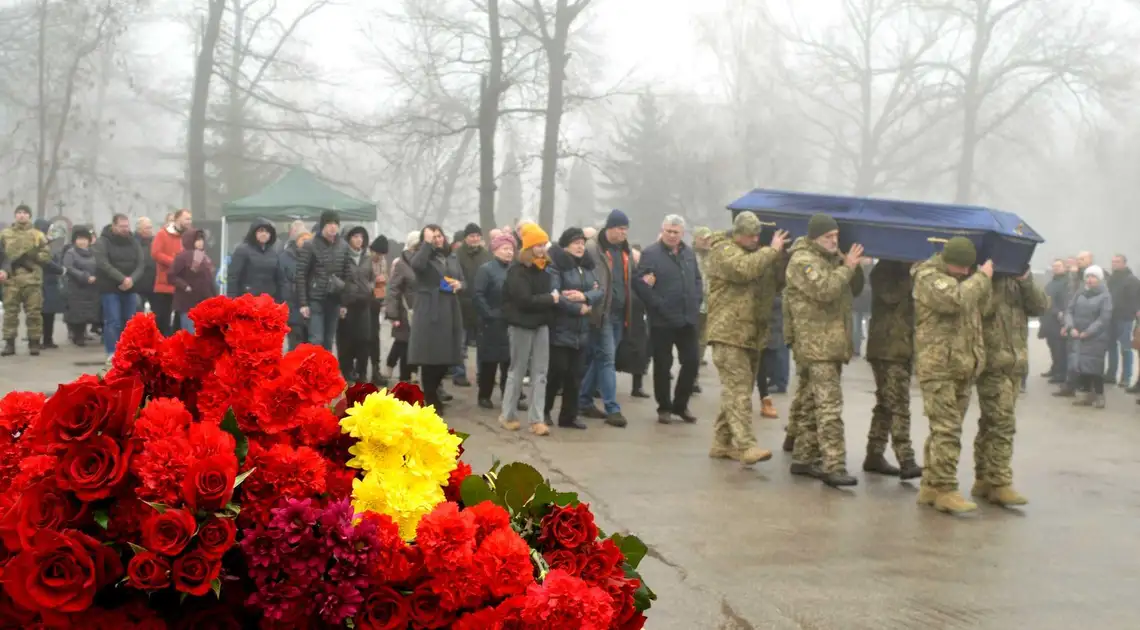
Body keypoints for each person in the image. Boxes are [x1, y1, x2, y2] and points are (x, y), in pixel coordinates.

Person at [784, 213, 865, 488]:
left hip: (829, 344)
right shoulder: (803, 261)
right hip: (815, 344)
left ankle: (804, 458)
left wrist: (849, 265)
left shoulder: (831, 259)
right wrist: (848, 267)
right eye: (828, 237)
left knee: (809, 404)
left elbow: (855, 289)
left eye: (836, 236)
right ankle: (834, 465)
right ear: (814, 238)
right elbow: (825, 289)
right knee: (829, 407)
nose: (833, 241)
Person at [912, 237, 993, 514]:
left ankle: (931, 486)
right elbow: (955, 301)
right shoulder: (928, 276)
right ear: (949, 262)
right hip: (938, 368)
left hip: (961, 366)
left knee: (943, 430)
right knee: (947, 429)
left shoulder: (964, 279)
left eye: (970, 269)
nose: (966, 273)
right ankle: (946, 489)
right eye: (962, 268)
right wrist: (983, 277)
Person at [705, 212, 789, 464]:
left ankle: (721, 443)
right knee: (739, 390)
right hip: (729, 332)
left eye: (757, 236)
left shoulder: (757, 253)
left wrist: (782, 257)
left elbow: (776, 283)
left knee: (737, 390)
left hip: (751, 334)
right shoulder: (723, 251)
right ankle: (746, 446)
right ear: (737, 233)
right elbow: (744, 269)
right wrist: (771, 251)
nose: (755, 240)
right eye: (750, 236)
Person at [971, 267, 1048, 507]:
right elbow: (977, 309)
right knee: (1003, 422)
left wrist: (1025, 280)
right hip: (993, 361)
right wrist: (987, 277)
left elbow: (1041, 306)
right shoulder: (983, 276)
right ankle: (1000, 482)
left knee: (991, 422)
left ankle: (984, 478)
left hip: (1015, 362)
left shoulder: (1018, 280)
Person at [579, 209, 652, 427]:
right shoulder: (593, 248)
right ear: (610, 228)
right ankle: (612, 408)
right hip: (602, 312)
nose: (623, 233)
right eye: (620, 229)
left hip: (621, 312)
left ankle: (582, 400)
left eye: (626, 229)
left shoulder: (626, 250)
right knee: (608, 359)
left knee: (599, 358)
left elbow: (632, 279)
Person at [637, 215, 703, 424]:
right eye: (669, 231)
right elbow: (641, 284)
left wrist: (696, 300)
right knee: (663, 365)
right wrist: (658, 305)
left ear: (682, 233)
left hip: (687, 318)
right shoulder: (650, 254)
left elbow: (697, 279)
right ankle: (664, 407)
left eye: (676, 232)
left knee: (692, 362)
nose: (672, 235)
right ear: (662, 230)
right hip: (662, 320)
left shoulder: (689, 254)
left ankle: (680, 405)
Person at [864, 259, 922, 480]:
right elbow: (891, 296)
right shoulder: (885, 270)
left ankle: (874, 454)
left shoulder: (910, 271)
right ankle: (906, 459)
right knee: (899, 404)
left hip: (903, 348)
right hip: (887, 349)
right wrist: (913, 274)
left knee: (886, 404)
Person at [499, 223, 557, 436]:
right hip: (521, 325)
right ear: (529, 247)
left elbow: (542, 300)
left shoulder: (546, 271)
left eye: (544, 244)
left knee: (540, 373)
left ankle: (537, 419)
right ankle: (508, 415)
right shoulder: (517, 272)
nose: (542, 249)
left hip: (541, 325)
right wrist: (550, 299)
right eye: (537, 245)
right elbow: (524, 300)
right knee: (517, 370)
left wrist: (550, 303)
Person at [546, 227, 603, 429]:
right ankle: (545, 411)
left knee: (575, 375)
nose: (580, 247)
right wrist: (578, 308)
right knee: (557, 372)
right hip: (561, 328)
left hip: (582, 330)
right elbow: (556, 295)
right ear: (565, 246)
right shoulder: (556, 266)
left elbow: (599, 290)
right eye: (575, 243)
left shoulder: (588, 266)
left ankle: (568, 416)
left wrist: (585, 298)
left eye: (582, 243)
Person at [407, 225, 465, 412]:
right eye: (433, 237)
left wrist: (459, 284)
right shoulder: (422, 256)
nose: (437, 240)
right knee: (430, 356)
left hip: (449, 308)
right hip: (429, 309)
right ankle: (431, 397)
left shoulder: (451, 256)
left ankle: (434, 391)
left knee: (446, 356)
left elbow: (461, 279)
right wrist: (427, 245)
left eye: (439, 236)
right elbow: (417, 266)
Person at [295, 211, 351, 350]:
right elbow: (301, 274)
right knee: (316, 339)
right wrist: (303, 303)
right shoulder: (310, 245)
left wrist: (344, 303)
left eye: (335, 224)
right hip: (316, 299)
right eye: (329, 223)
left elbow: (347, 275)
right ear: (323, 225)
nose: (333, 227)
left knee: (328, 340)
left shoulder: (343, 246)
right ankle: (315, 370)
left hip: (334, 299)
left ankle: (326, 370)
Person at [0, 205, 51, 356]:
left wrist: (34, 257)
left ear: (29, 216)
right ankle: (9, 344)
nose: (22, 216)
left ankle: (34, 343)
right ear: (15, 215)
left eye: (25, 213)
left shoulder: (37, 235)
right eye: (19, 213)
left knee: (34, 313)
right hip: (12, 280)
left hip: (32, 280)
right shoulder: (5, 234)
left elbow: (47, 255)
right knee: (10, 313)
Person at [92, 214, 145, 359]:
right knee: (113, 321)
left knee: (130, 321)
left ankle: (128, 350)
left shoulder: (133, 241)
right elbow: (103, 264)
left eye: (127, 226)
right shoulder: (103, 242)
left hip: (130, 287)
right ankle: (112, 351)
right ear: (114, 226)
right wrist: (122, 279)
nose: (125, 229)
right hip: (110, 288)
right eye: (122, 226)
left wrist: (131, 279)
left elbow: (141, 263)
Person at [473, 233, 515, 409]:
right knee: (489, 361)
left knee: (509, 361)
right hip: (491, 322)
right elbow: (478, 294)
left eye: (511, 249)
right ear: (495, 250)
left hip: (510, 320)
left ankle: (509, 395)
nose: (509, 252)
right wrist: (489, 313)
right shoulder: (486, 269)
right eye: (505, 249)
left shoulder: (514, 270)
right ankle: (484, 394)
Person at [1064, 265, 1113, 409]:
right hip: (1077, 335)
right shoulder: (1080, 293)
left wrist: (1088, 332)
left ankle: (1099, 396)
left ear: (1100, 279)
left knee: (1095, 368)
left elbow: (1104, 318)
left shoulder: (1105, 296)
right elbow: (1069, 310)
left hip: (1095, 338)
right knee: (1081, 367)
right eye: (1088, 277)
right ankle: (1085, 396)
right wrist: (1071, 327)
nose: (1090, 280)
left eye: (1093, 277)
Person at [336, 226, 375, 382]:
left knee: (364, 340)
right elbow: (337, 280)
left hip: (364, 303)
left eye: (361, 237)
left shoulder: (367, 258)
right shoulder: (342, 258)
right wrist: (342, 301)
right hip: (347, 304)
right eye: (355, 236)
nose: (359, 240)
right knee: (346, 341)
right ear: (348, 239)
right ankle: (347, 372)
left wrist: (371, 288)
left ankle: (362, 373)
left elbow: (370, 277)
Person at [455, 223, 491, 388]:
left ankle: (483, 375)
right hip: (461, 302)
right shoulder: (457, 255)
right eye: (472, 236)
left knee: (482, 343)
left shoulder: (486, 255)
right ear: (466, 238)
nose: (475, 238)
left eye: (478, 235)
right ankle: (459, 373)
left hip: (481, 302)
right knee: (460, 342)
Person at [384, 231, 420, 384]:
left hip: (419, 310)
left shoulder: (423, 262)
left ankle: (411, 371)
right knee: (403, 342)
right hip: (404, 310)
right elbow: (393, 290)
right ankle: (403, 376)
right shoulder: (401, 264)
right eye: (417, 246)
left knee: (414, 343)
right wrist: (393, 315)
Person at [617, 245, 651, 399]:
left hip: (639, 319)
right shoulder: (621, 274)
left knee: (641, 353)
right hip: (623, 317)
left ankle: (637, 386)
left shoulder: (645, 277)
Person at [169, 229, 217, 334]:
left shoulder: (205, 258)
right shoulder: (182, 257)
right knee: (190, 335)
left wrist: (216, 297)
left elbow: (209, 280)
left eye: (202, 239)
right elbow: (171, 276)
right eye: (197, 240)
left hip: (204, 301)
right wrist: (185, 286)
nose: (201, 242)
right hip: (187, 302)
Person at [151, 209, 191, 335]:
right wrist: (175, 262)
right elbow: (156, 253)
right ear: (177, 218)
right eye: (186, 219)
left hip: (182, 286)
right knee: (163, 320)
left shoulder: (190, 236)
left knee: (180, 322)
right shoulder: (162, 234)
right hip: (165, 285)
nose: (189, 222)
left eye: (190, 219)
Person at [61, 227, 101, 346]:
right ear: (75, 240)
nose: (82, 242)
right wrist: (85, 276)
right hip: (76, 286)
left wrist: (96, 276)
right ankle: (78, 335)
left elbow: (100, 265)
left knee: (89, 311)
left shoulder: (94, 253)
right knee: (77, 313)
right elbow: (69, 268)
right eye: (79, 239)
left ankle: (84, 333)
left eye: (84, 239)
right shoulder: (70, 253)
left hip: (92, 287)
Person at [227, 219, 284, 300]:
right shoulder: (242, 250)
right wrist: (231, 298)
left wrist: (280, 299)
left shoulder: (274, 253)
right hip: (247, 298)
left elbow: (279, 279)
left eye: (267, 232)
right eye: (261, 231)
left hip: (268, 299)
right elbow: (233, 276)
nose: (264, 234)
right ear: (254, 232)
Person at [1106, 254, 1140, 387]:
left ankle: (1126, 377)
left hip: (1125, 318)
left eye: (1117, 262)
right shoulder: (1111, 279)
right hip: (1111, 317)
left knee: (1125, 348)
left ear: (1124, 263)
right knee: (1111, 347)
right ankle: (1111, 374)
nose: (1114, 264)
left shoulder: (1132, 280)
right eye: (1113, 261)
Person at [33, 219, 67, 349]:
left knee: (49, 313)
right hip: (40, 281)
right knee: (39, 313)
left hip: (50, 282)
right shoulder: (36, 243)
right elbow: (45, 261)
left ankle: (48, 339)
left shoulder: (48, 242)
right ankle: (37, 340)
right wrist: (61, 270)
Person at [1041, 258, 1071, 383]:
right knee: (1052, 346)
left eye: (1059, 266)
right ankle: (1054, 368)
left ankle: (1061, 373)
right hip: (1048, 319)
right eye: (1054, 266)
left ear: (1065, 268)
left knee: (1060, 348)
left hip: (1058, 319)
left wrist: (1059, 312)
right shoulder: (1051, 282)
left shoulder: (1067, 282)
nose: (1056, 268)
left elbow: (1066, 301)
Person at [280, 232, 311, 350]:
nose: (306, 242)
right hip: (292, 304)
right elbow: (282, 280)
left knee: (308, 343)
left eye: (308, 240)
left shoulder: (312, 256)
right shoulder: (285, 257)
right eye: (303, 239)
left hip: (309, 306)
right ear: (296, 240)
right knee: (295, 341)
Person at [692, 226, 713, 392]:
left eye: (709, 238)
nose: (707, 242)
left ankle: (694, 378)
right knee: (691, 344)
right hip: (693, 306)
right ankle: (691, 377)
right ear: (696, 239)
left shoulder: (713, 257)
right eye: (704, 239)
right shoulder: (689, 256)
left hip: (709, 306)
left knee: (701, 344)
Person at [368, 235, 390, 385]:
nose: (380, 257)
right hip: (364, 301)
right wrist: (373, 282)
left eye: (382, 255)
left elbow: (385, 278)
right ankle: (359, 368)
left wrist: (383, 280)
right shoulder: (366, 259)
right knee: (364, 337)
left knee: (375, 337)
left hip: (376, 300)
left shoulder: (383, 260)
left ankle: (376, 369)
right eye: (378, 254)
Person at [134, 217, 156, 317]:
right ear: (139, 230)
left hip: (154, 284)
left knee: (158, 314)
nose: (150, 230)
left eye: (150, 228)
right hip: (138, 285)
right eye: (147, 228)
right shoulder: (133, 242)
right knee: (138, 314)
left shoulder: (156, 242)